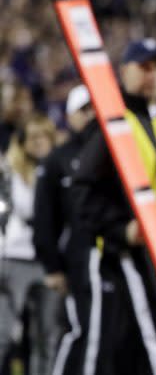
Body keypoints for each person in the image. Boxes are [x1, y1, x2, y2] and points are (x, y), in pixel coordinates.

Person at [73, 39, 156, 374]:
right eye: (143, 66)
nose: (153, 74)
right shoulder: (112, 121)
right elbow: (83, 192)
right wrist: (121, 228)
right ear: (124, 71)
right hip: (129, 260)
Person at [32, 85, 99, 375]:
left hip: (112, 256)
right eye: (83, 110)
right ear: (70, 116)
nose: (91, 114)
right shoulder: (58, 158)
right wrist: (52, 267)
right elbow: (45, 218)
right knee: (80, 328)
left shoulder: (117, 151)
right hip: (78, 259)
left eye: (93, 107)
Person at [0, 114, 58, 373]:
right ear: (22, 142)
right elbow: (22, 211)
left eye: (43, 137)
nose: (38, 143)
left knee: (46, 336)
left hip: (48, 263)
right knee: (3, 332)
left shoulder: (58, 171)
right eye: (33, 137)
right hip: (15, 259)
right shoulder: (9, 172)